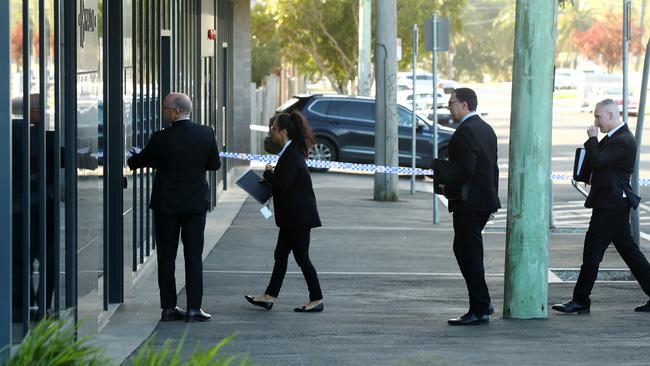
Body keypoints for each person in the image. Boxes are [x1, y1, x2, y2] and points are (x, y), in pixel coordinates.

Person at [127, 92, 221, 322]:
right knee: (193, 256)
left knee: (166, 257)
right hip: (194, 206)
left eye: (165, 108)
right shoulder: (206, 133)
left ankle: (169, 308)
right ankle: (193, 308)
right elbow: (214, 164)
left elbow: (138, 161)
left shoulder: (160, 138)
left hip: (166, 206)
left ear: (177, 111)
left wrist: (145, 159)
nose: (163, 111)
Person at [552, 99, 650, 314]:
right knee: (629, 252)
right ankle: (581, 299)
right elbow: (599, 164)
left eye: (598, 116)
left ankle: (581, 299)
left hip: (611, 205)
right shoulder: (615, 137)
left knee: (593, 252)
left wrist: (593, 139)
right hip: (611, 202)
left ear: (612, 116)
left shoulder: (622, 140)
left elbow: (598, 160)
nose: (595, 121)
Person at [244, 111, 324, 312]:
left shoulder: (291, 154)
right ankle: (269, 296)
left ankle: (316, 299)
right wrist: (271, 176)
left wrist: (268, 173)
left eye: (274, 128)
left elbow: (283, 184)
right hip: (292, 216)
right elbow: (285, 181)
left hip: (298, 217)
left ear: (284, 131)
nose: (271, 132)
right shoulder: (290, 151)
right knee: (280, 255)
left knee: (301, 257)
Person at [439, 88, 500, 325]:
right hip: (483, 202)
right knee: (465, 250)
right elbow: (492, 168)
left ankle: (479, 307)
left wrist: (447, 190)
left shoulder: (465, 131)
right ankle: (482, 303)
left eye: (451, 103)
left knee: (469, 254)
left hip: (468, 203)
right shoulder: (486, 128)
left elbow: (464, 170)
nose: (449, 108)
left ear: (464, 105)